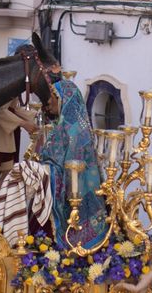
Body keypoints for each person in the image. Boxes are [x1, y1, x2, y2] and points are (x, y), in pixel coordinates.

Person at [39, 77, 109, 248]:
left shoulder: (73, 130)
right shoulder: (67, 126)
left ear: (64, 99)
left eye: (53, 97)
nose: (49, 102)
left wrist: (44, 168)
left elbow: (64, 163)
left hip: (77, 190)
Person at [0, 96, 37, 198]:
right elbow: (0, 111)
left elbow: (14, 108)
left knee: (6, 174)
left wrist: (35, 116)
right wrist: (24, 124)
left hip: (8, 136)